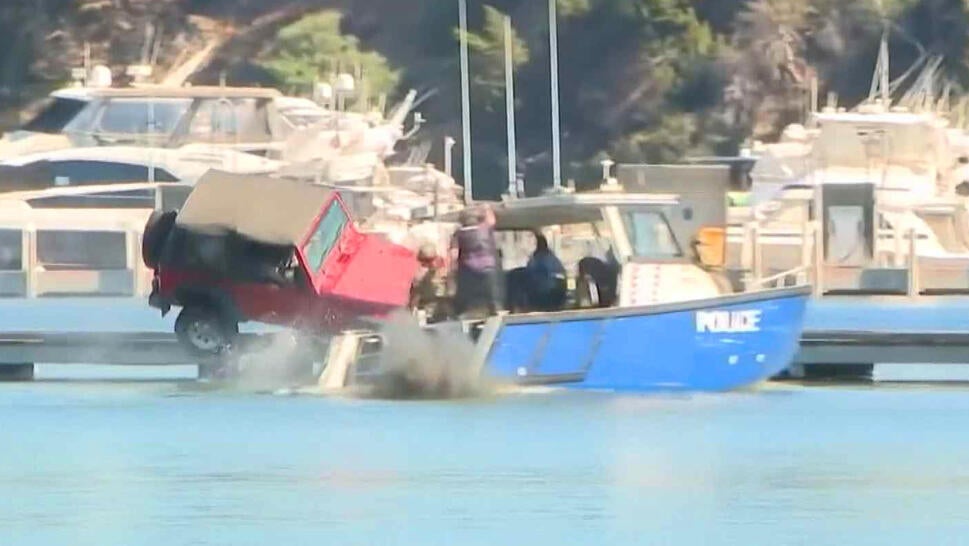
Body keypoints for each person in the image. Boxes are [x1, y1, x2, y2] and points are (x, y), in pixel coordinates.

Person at [450, 205, 502, 318]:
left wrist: (453, 270)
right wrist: (487, 208)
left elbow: (454, 254)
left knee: (464, 294)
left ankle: (460, 311)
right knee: (493, 293)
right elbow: (492, 220)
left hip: (469, 268)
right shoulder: (484, 228)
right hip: (488, 266)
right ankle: (496, 310)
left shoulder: (458, 234)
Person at [525, 232, 567, 311]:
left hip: (542, 296)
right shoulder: (554, 259)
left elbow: (530, 277)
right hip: (554, 295)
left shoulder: (537, 260)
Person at [408, 243, 448, 322]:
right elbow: (414, 300)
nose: (431, 263)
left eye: (433, 259)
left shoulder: (446, 273)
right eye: (426, 261)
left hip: (445, 313)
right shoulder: (419, 278)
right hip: (427, 314)